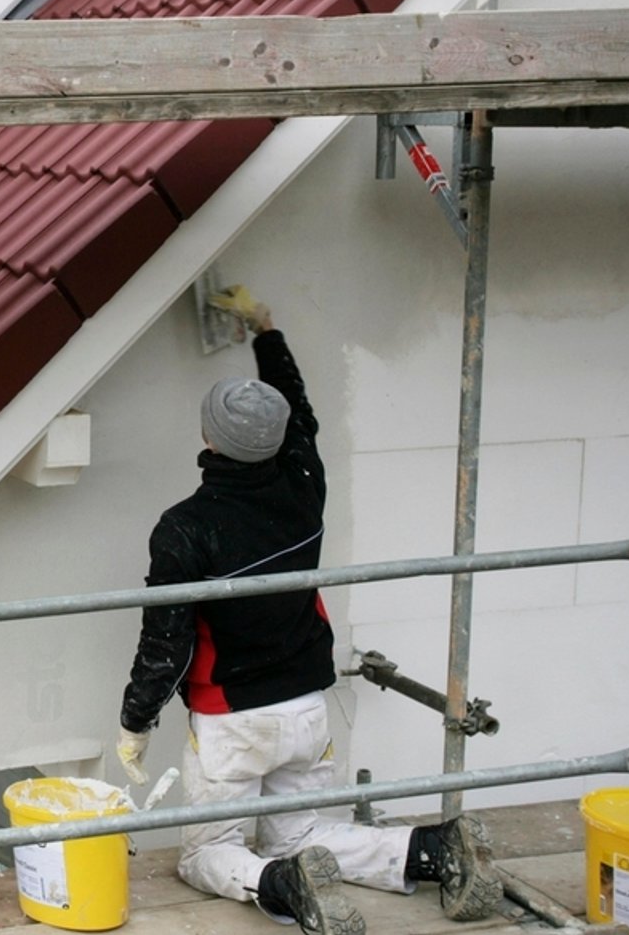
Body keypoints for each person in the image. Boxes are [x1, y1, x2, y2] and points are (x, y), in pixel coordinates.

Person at [116, 289, 501, 935]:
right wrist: (266, 328)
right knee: (304, 829)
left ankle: (278, 883)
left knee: (207, 852)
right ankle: (431, 850)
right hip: (305, 705)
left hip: (233, 719)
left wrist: (136, 721)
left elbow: (167, 641)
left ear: (210, 437)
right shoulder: (304, 480)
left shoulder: (186, 528)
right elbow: (301, 413)